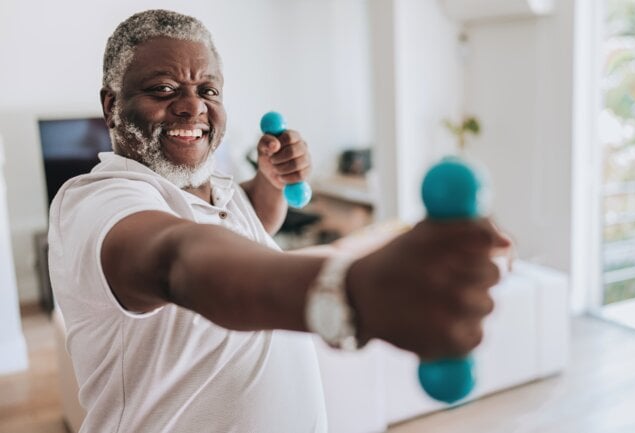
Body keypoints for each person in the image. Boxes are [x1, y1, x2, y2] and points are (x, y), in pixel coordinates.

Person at [48, 9, 511, 433]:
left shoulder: (218, 189)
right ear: (111, 105)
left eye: (208, 90)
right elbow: (181, 261)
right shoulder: (98, 202)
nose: (193, 106)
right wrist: (352, 289)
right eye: (164, 89)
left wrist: (269, 182)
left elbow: (250, 225)